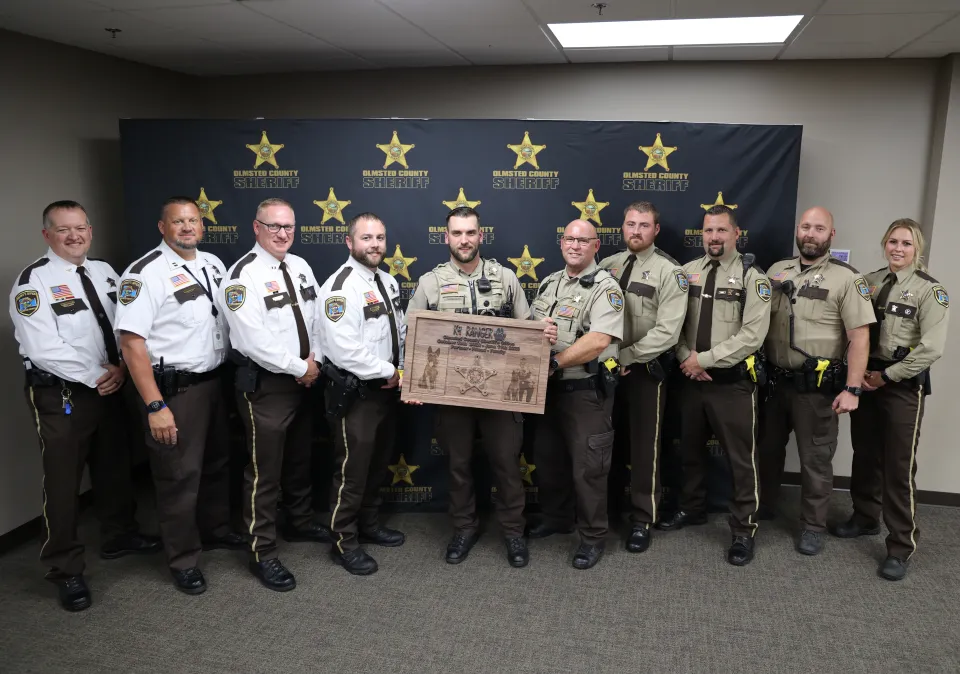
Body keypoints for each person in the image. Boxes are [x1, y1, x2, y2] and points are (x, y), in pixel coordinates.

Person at [10, 200, 160, 612]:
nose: (74, 236)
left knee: (114, 463)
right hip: (64, 394)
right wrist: (100, 374)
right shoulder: (32, 283)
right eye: (63, 230)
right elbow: (43, 348)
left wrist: (123, 371)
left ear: (90, 230)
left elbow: (127, 325)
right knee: (63, 480)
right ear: (47, 235)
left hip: (112, 384)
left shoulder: (106, 272)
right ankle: (64, 567)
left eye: (80, 228)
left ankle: (120, 533)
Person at [406, 206, 558, 567]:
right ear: (447, 237)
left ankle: (513, 533)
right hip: (451, 393)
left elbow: (529, 329)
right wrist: (411, 378)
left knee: (507, 464)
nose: (464, 240)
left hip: (501, 394)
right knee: (458, 465)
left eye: (470, 233)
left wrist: (545, 333)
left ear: (480, 236)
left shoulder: (505, 278)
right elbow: (411, 334)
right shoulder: (431, 282)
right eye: (457, 233)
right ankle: (463, 528)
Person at [116, 196, 243, 595]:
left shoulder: (212, 265)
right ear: (162, 227)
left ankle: (216, 529)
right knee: (178, 476)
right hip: (175, 391)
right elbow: (132, 344)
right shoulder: (144, 274)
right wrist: (155, 405)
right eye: (178, 222)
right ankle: (183, 559)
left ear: (202, 226)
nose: (187, 227)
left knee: (217, 463)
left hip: (213, 382)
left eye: (193, 220)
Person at [218, 197, 326, 592]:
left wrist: (314, 360)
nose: (283, 234)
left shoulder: (299, 267)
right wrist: (302, 368)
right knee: (264, 472)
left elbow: (316, 321)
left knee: (299, 458)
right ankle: (262, 549)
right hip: (267, 386)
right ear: (256, 227)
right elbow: (252, 340)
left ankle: (299, 522)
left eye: (289, 227)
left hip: (305, 380)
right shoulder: (241, 277)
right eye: (274, 226)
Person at [832, 219, 949, 580]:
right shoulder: (869, 281)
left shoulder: (931, 291)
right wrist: (861, 377)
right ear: (885, 243)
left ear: (918, 249)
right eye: (893, 241)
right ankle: (865, 517)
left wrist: (887, 376)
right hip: (867, 381)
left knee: (898, 467)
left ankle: (901, 544)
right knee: (865, 454)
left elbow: (931, 347)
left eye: (907, 244)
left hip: (901, 385)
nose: (898, 248)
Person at [656, 205, 770, 567]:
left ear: (737, 234)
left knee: (740, 460)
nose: (714, 238)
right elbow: (671, 324)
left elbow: (752, 336)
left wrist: (702, 360)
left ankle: (742, 529)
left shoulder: (755, 278)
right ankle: (692, 509)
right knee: (688, 451)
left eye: (721, 231)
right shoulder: (686, 273)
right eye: (708, 231)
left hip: (731, 384)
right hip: (690, 380)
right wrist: (687, 357)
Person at [759, 206, 875, 556]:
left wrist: (852, 388)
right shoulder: (777, 271)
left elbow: (860, 337)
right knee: (766, 450)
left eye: (819, 228)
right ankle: (764, 505)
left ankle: (812, 526)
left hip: (818, 388)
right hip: (775, 383)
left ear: (831, 235)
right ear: (798, 230)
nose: (811, 234)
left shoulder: (847, 279)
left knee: (815, 460)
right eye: (806, 227)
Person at [528, 219, 624, 570]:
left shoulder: (605, 287)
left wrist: (554, 362)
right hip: (549, 392)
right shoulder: (549, 283)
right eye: (569, 238)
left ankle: (593, 536)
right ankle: (556, 518)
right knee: (548, 459)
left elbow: (599, 339)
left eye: (583, 240)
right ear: (561, 242)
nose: (575, 245)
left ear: (596, 246)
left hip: (585, 392)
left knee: (589, 469)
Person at [316, 212, 406, 576]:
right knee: (352, 472)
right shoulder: (340, 287)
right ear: (349, 242)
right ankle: (344, 542)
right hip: (356, 395)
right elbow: (344, 351)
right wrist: (394, 373)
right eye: (367, 238)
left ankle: (369, 524)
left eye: (380, 238)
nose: (375, 245)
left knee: (376, 465)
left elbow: (398, 333)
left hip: (386, 393)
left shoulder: (387, 281)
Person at [599, 201, 687, 554]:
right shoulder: (607, 266)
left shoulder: (670, 272)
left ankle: (641, 519)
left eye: (644, 225)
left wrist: (625, 357)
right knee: (606, 444)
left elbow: (668, 332)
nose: (636, 231)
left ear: (656, 230)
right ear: (622, 226)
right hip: (605, 372)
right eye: (630, 224)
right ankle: (607, 510)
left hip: (644, 372)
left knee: (644, 447)